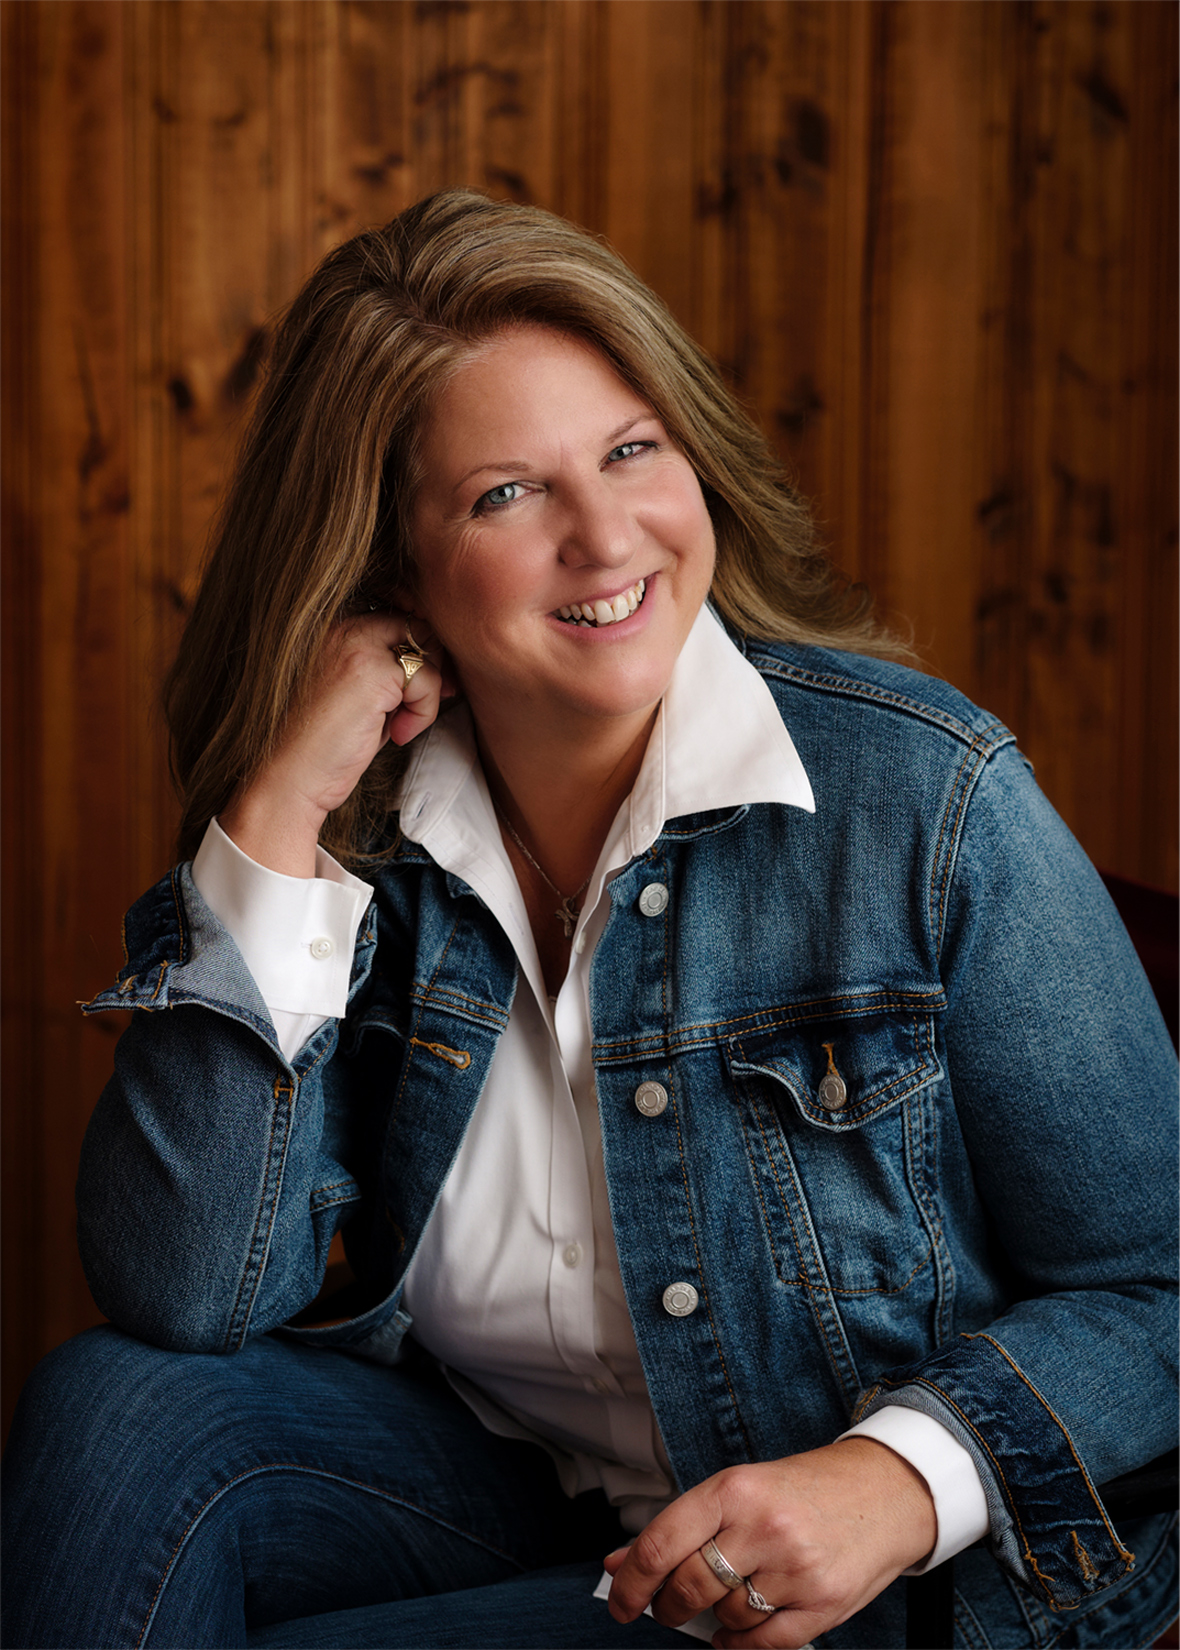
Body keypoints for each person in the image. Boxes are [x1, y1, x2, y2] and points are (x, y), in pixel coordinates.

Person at [2, 190, 1175, 1650]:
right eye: (507, 494)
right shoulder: (360, 836)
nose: (607, 533)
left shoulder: (927, 800)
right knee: (119, 1412)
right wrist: (275, 817)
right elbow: (181, 1288)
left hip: (868, 1577)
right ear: (389, 572)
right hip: (524, 1489)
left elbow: (1160, 1282)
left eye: (631, 450)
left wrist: (897, 1475)